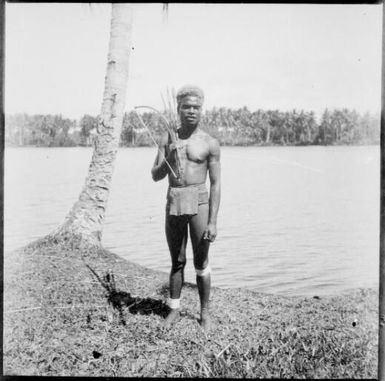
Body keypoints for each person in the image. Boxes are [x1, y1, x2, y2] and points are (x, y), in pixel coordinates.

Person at [151, 85, 221, 331]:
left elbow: (216, 183)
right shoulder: (168, 138)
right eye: (186, 107)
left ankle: (204, 313)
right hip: (175, 198)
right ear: (178, 109)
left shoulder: (209, 143)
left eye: (196, 107)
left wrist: (212, 221)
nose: (191, 111)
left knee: (201, 261)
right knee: (177, 260)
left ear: (201, 110)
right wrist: (170, 155)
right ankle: (174, 309)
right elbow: (155, 176)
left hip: (199, 200)